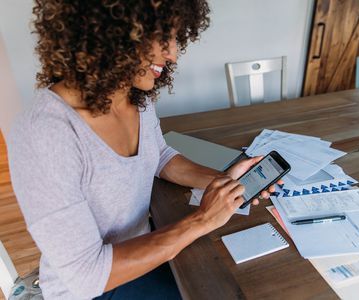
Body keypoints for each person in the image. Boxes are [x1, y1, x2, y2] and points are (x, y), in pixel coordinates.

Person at [8, 0, 278, 299]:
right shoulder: (45, 133)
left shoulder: (135, 97)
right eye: (162, 36)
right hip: (96, 288)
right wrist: (202, 219)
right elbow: (87, 276)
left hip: (147, 252)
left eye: (176, 38)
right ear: (110, 30)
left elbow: (159, 156)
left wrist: (223, 180)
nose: (173, 54)